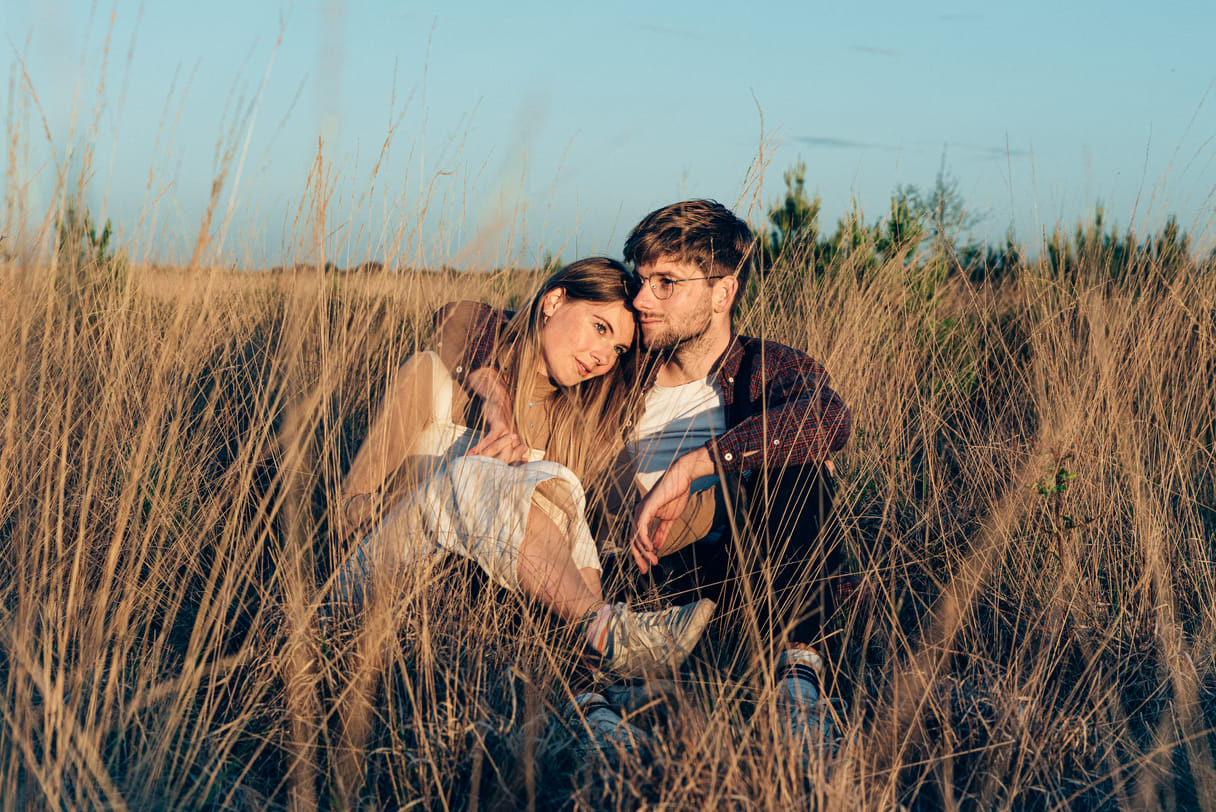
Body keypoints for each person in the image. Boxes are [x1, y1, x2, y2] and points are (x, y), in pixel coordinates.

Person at [444, 201, 852, 754]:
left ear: (721, 293)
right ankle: (593, 710)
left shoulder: (762, 366)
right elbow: (463, 317)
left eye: (665, 283)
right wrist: (493, 395)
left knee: (800, 469)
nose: (641, 299)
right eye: (641, 280)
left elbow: (826, 417)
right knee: (521, 531)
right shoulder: (618, 360)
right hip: (613, 567)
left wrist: (694, 466)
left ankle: (796, 693)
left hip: (723, 576)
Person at [335, 257, 715, 679]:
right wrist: (443, 495)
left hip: (465, 631)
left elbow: (632, 517)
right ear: (553, 301)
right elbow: (346, 515)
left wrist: (697, 475)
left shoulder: (576, 428)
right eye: (600, 328)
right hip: (372, 590)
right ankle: (608, 632)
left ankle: (595, 677)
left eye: (617, 349)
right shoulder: (436, 377)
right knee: (472, 477)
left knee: (563, 486)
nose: (603, 356)